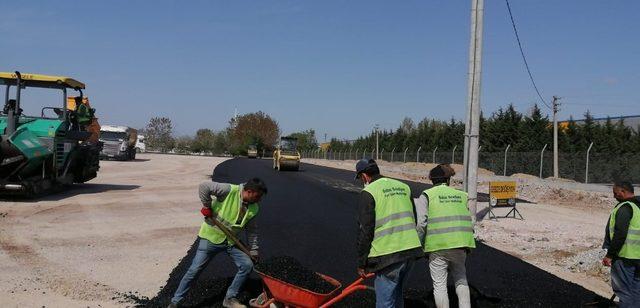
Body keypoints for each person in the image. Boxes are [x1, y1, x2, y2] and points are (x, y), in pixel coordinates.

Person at [168, 178, 267, 308]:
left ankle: (230, 298)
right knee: (194, 270)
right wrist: (207, 206)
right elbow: (204, 186)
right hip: (211, 237)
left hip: (231, 241)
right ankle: (176, 302)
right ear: (249, 191)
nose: (259, 200)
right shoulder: (229, 190)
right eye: (258, 196)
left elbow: (252, 231)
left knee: (247, 265)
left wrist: (254, 250)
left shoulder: (254, 208)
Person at [355, 158, 423, 308]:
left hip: (388, 255)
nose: (362, 181)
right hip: (410, 251)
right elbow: (414, 219)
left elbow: (365, 230)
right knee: (397, 295)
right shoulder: (404, 187)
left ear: (365, 176)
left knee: (385, 303)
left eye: (360, 178)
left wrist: (361, 263)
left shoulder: (369, 192)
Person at [415, 164, 475, 308]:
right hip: (461, 245)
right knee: (461, 280)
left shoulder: (427, 195)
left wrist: (419, 246)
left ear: (432, 180)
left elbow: (421, 223)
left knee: (440, 285)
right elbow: (470, 221)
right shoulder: (462, 195)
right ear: (448, 180)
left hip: (438, 246)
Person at [602, 181, 640, 307]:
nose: (614, 196)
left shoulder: (625, 208)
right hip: (638, 258)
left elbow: (620, 234)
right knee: (636, 291)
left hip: (624, 257)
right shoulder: (638, 207)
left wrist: (610, 255)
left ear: (623, 191)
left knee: (624, 292)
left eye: (615, 193)